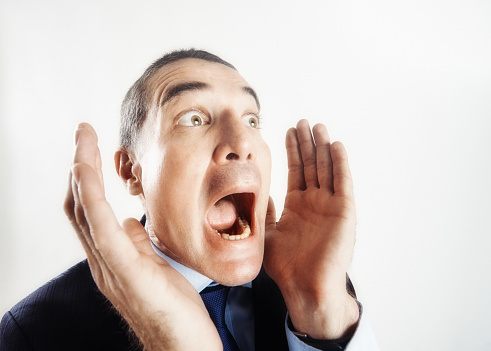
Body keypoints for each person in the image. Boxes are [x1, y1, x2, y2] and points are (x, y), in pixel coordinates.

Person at [0, 49, 379, 350]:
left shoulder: (314, 286)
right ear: (132, 171)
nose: (241, 143)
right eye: (194, 118)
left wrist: (322, 310)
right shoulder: (33, 332)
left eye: (251, 119)